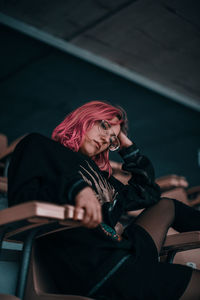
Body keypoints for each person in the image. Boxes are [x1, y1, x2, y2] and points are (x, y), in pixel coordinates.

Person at [8, 100, 200, 300]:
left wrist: (127, 146)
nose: (106, 139)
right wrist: (76, 190)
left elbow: (148, 193)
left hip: (123, 254)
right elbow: (22, 200)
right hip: (96, 268)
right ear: (85, 118)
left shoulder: (104, 178)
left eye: (112, 139)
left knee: (166, 205)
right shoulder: (39, 145)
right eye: (104, 126)